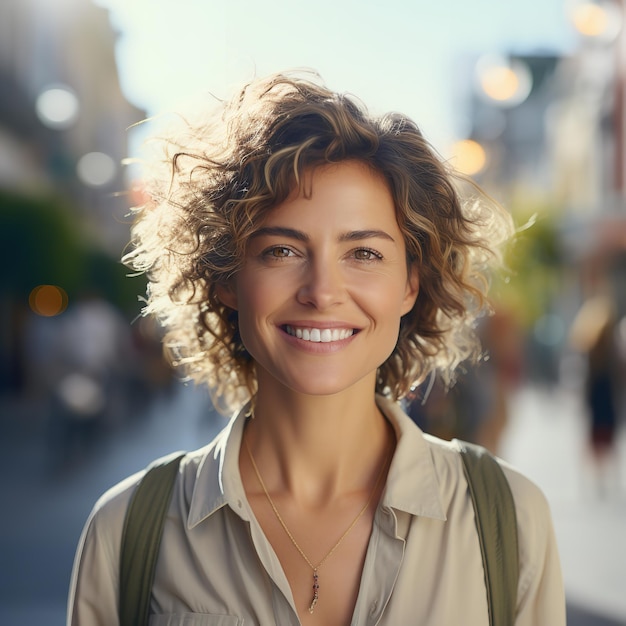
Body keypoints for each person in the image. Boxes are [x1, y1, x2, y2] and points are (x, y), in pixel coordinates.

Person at [67, 71, 565, 625]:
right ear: (228, 278)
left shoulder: (508, 520)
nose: (322, 291)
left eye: (365, 254)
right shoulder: (128, 529)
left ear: (410, 285)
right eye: (282, 250)